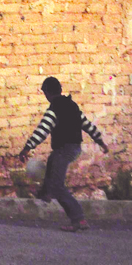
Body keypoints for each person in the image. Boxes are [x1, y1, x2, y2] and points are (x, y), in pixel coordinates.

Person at [18, 77, 109, 232]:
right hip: (74, 148)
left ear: (47, 93)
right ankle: (46, 193)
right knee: (52, 160)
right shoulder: (72, 106)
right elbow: (87, 125)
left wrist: (27, 147)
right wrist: (100, 141)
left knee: (58, 185)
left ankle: (78, 219)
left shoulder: (54, 108)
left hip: (65, 149)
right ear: (60, 90)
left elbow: (43, 130)